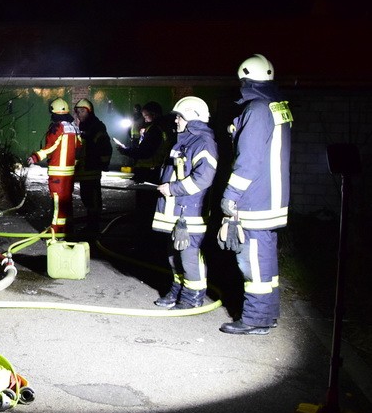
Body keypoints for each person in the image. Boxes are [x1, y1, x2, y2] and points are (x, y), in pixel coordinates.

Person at [218, 54, 293, 335]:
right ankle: (267, 314)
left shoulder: (257, 109)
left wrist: (231, 194)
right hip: (272, 198)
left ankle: (255, 319)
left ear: (245, 80)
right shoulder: (276, 105)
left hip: (255, 200)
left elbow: (249, 160)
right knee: (267, 260)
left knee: (252, 262)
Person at [152, 96, 218, 309]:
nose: (176, 121)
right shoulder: (186, 140)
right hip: (176, 210)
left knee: (189, 255)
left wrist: (172, 189)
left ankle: (193, 297)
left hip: (190, 211)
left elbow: (204, 178)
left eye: (179, 116)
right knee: (174, 255)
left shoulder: (203, 142)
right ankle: (178, 290)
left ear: (191, 116)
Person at [28, 98, 81, 234]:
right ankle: (68, 229)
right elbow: (79, 147)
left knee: (57, 202)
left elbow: (50, 147)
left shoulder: (57, 127)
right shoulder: (73, 127)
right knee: (66, 201)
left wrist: (35, 157)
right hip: (69, 173)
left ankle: (56, 231)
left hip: (58, 173)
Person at [117, 101, 174, 226]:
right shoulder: (160, 128)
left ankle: (144, 231)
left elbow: (145, 152)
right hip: (153, 170)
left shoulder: (154, 130)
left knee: (145, 206)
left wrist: (125, 151)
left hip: (148, 172)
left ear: (153, 115)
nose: (144, 118)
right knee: (148, 205)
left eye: (146, 115)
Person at [73, 98, 112, 237]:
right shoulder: (84, 127)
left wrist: (102, 164)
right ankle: (90, 226)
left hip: (92, 169)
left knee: (93, 200)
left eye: (82, 111)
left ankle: (93, 228)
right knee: (87, 199)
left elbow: (106, 148)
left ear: (90, 112)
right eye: (78, 111)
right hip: (84, 170)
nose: (79, 114)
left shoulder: (96, 127)